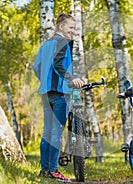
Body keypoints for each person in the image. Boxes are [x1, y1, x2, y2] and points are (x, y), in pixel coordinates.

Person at [33, 13, 84, 182]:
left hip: (46, 93)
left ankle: (45, 170)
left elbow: (36, 67)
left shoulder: (46, 45)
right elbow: (58, 63)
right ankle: (54, 170)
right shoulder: (64, 42)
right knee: (56, 133)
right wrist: (71, 79)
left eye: (74, 28)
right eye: (71, 27)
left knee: (47, 133)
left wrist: (46, 82)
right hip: (61, 94)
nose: (73, 31)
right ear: (61, 26)